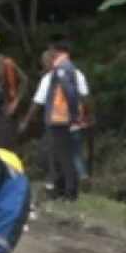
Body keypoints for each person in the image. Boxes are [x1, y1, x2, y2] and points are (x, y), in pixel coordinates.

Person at [21, 47, 88, 201]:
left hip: (57, 122)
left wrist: (25, 122)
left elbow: (37, 102)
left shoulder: (50, 78)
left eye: (44, 63)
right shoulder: (76, 73)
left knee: (53, 156)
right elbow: (86, 97)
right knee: (69, 155)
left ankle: (64, 190)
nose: (43, 66)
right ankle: (67, 188)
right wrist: (88, 116)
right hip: (75, 121)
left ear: (52, 60)